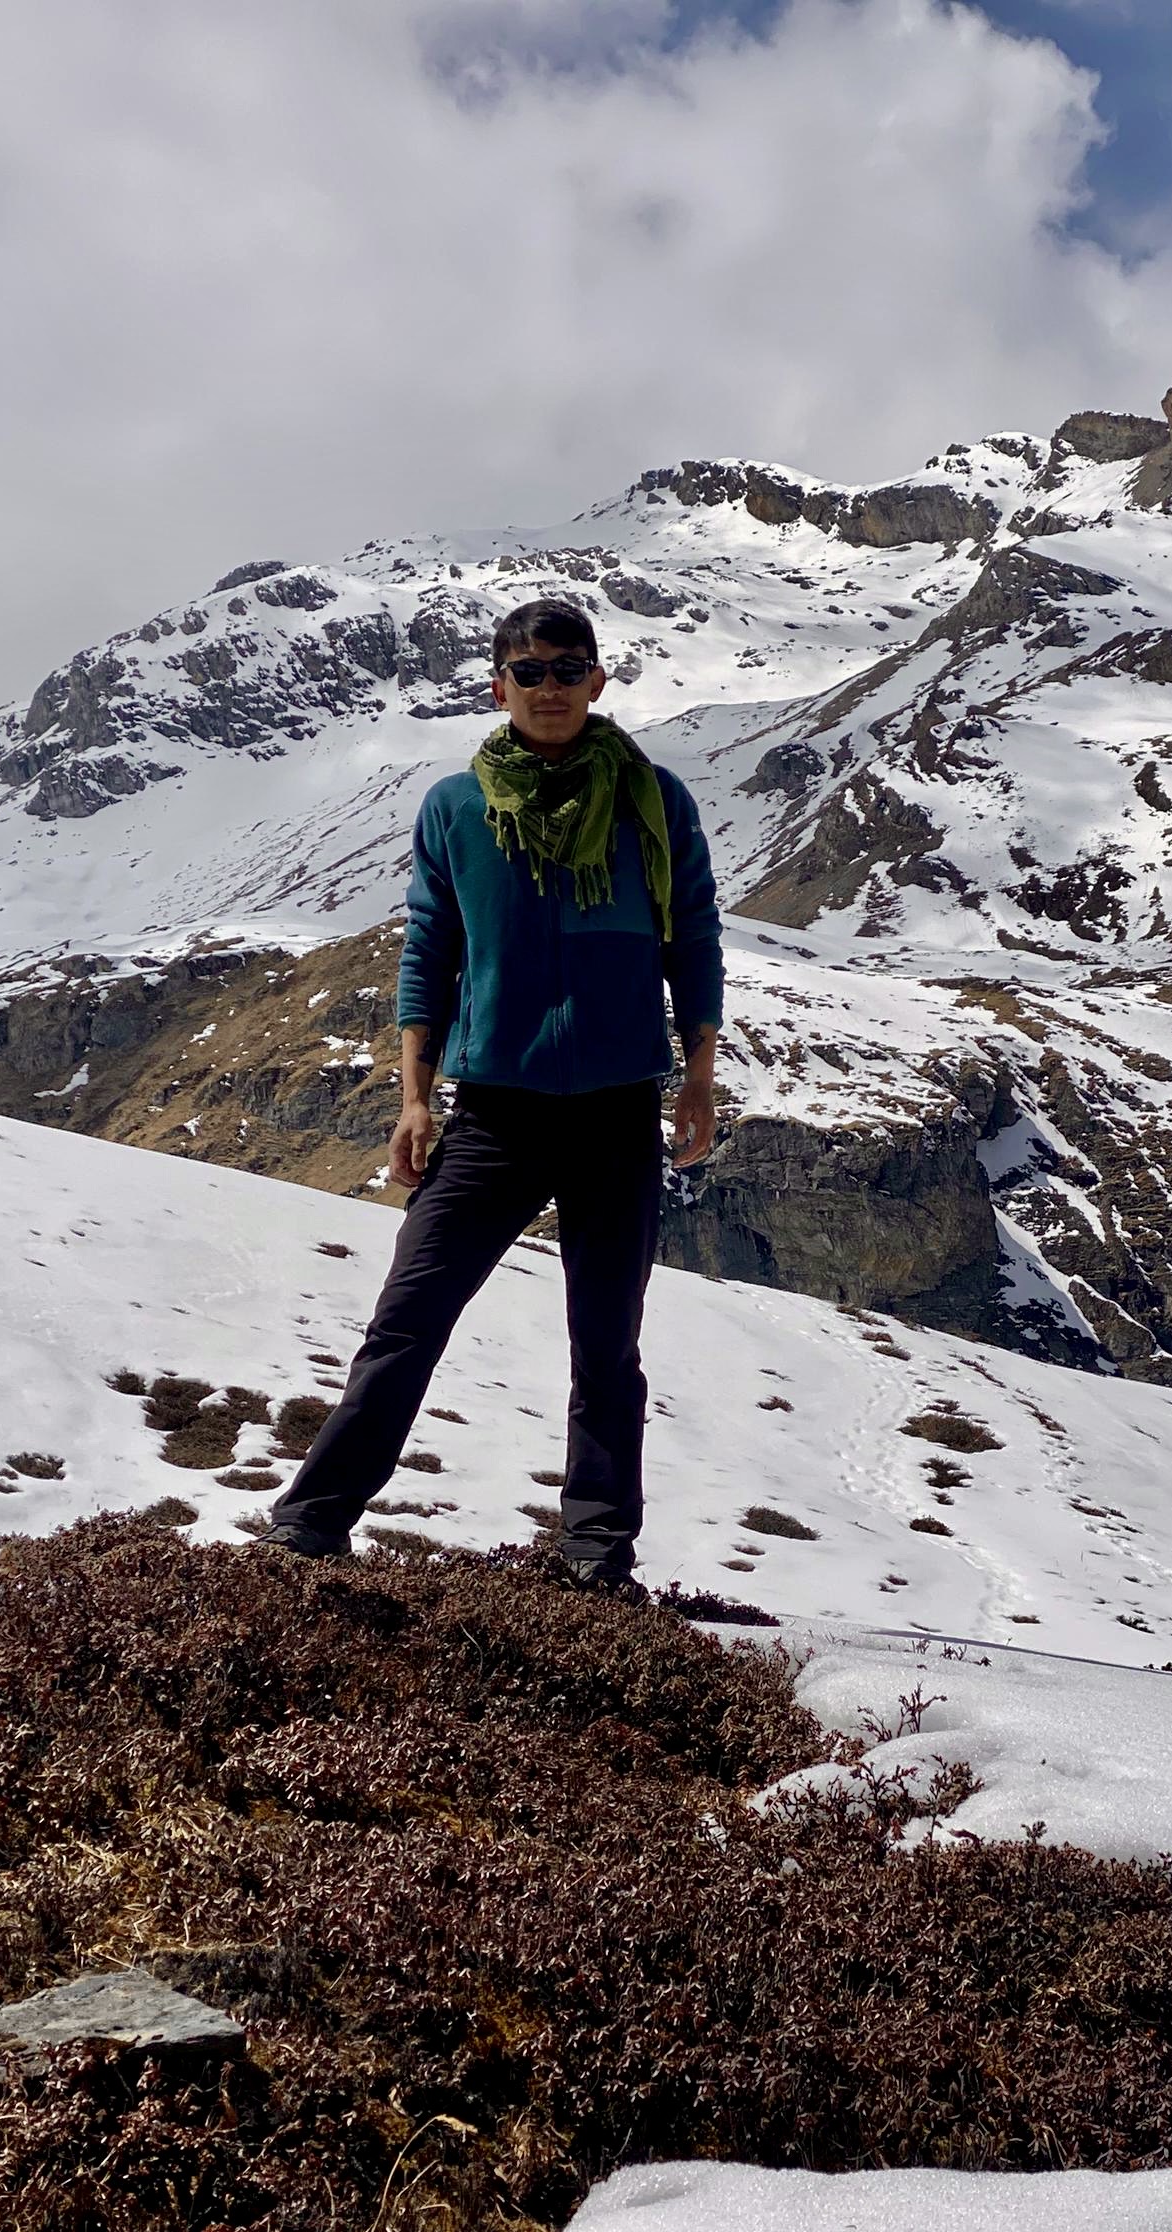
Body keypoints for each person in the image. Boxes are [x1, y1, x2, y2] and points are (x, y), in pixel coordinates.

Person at [259, 597, 724, 1592]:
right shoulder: (456, 809)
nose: (549, 687)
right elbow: (431, 950)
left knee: (607, 1346)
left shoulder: (657, 800)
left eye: (568, 669)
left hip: (614, 1112)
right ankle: (309, 1525)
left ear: (599, 682)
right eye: (530, 670)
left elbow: (694, 937)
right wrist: (415, 1096)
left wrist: (698, 1075)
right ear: (496, 685)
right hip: (494, 1115)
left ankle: (597, 1555)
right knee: (407, 1319)